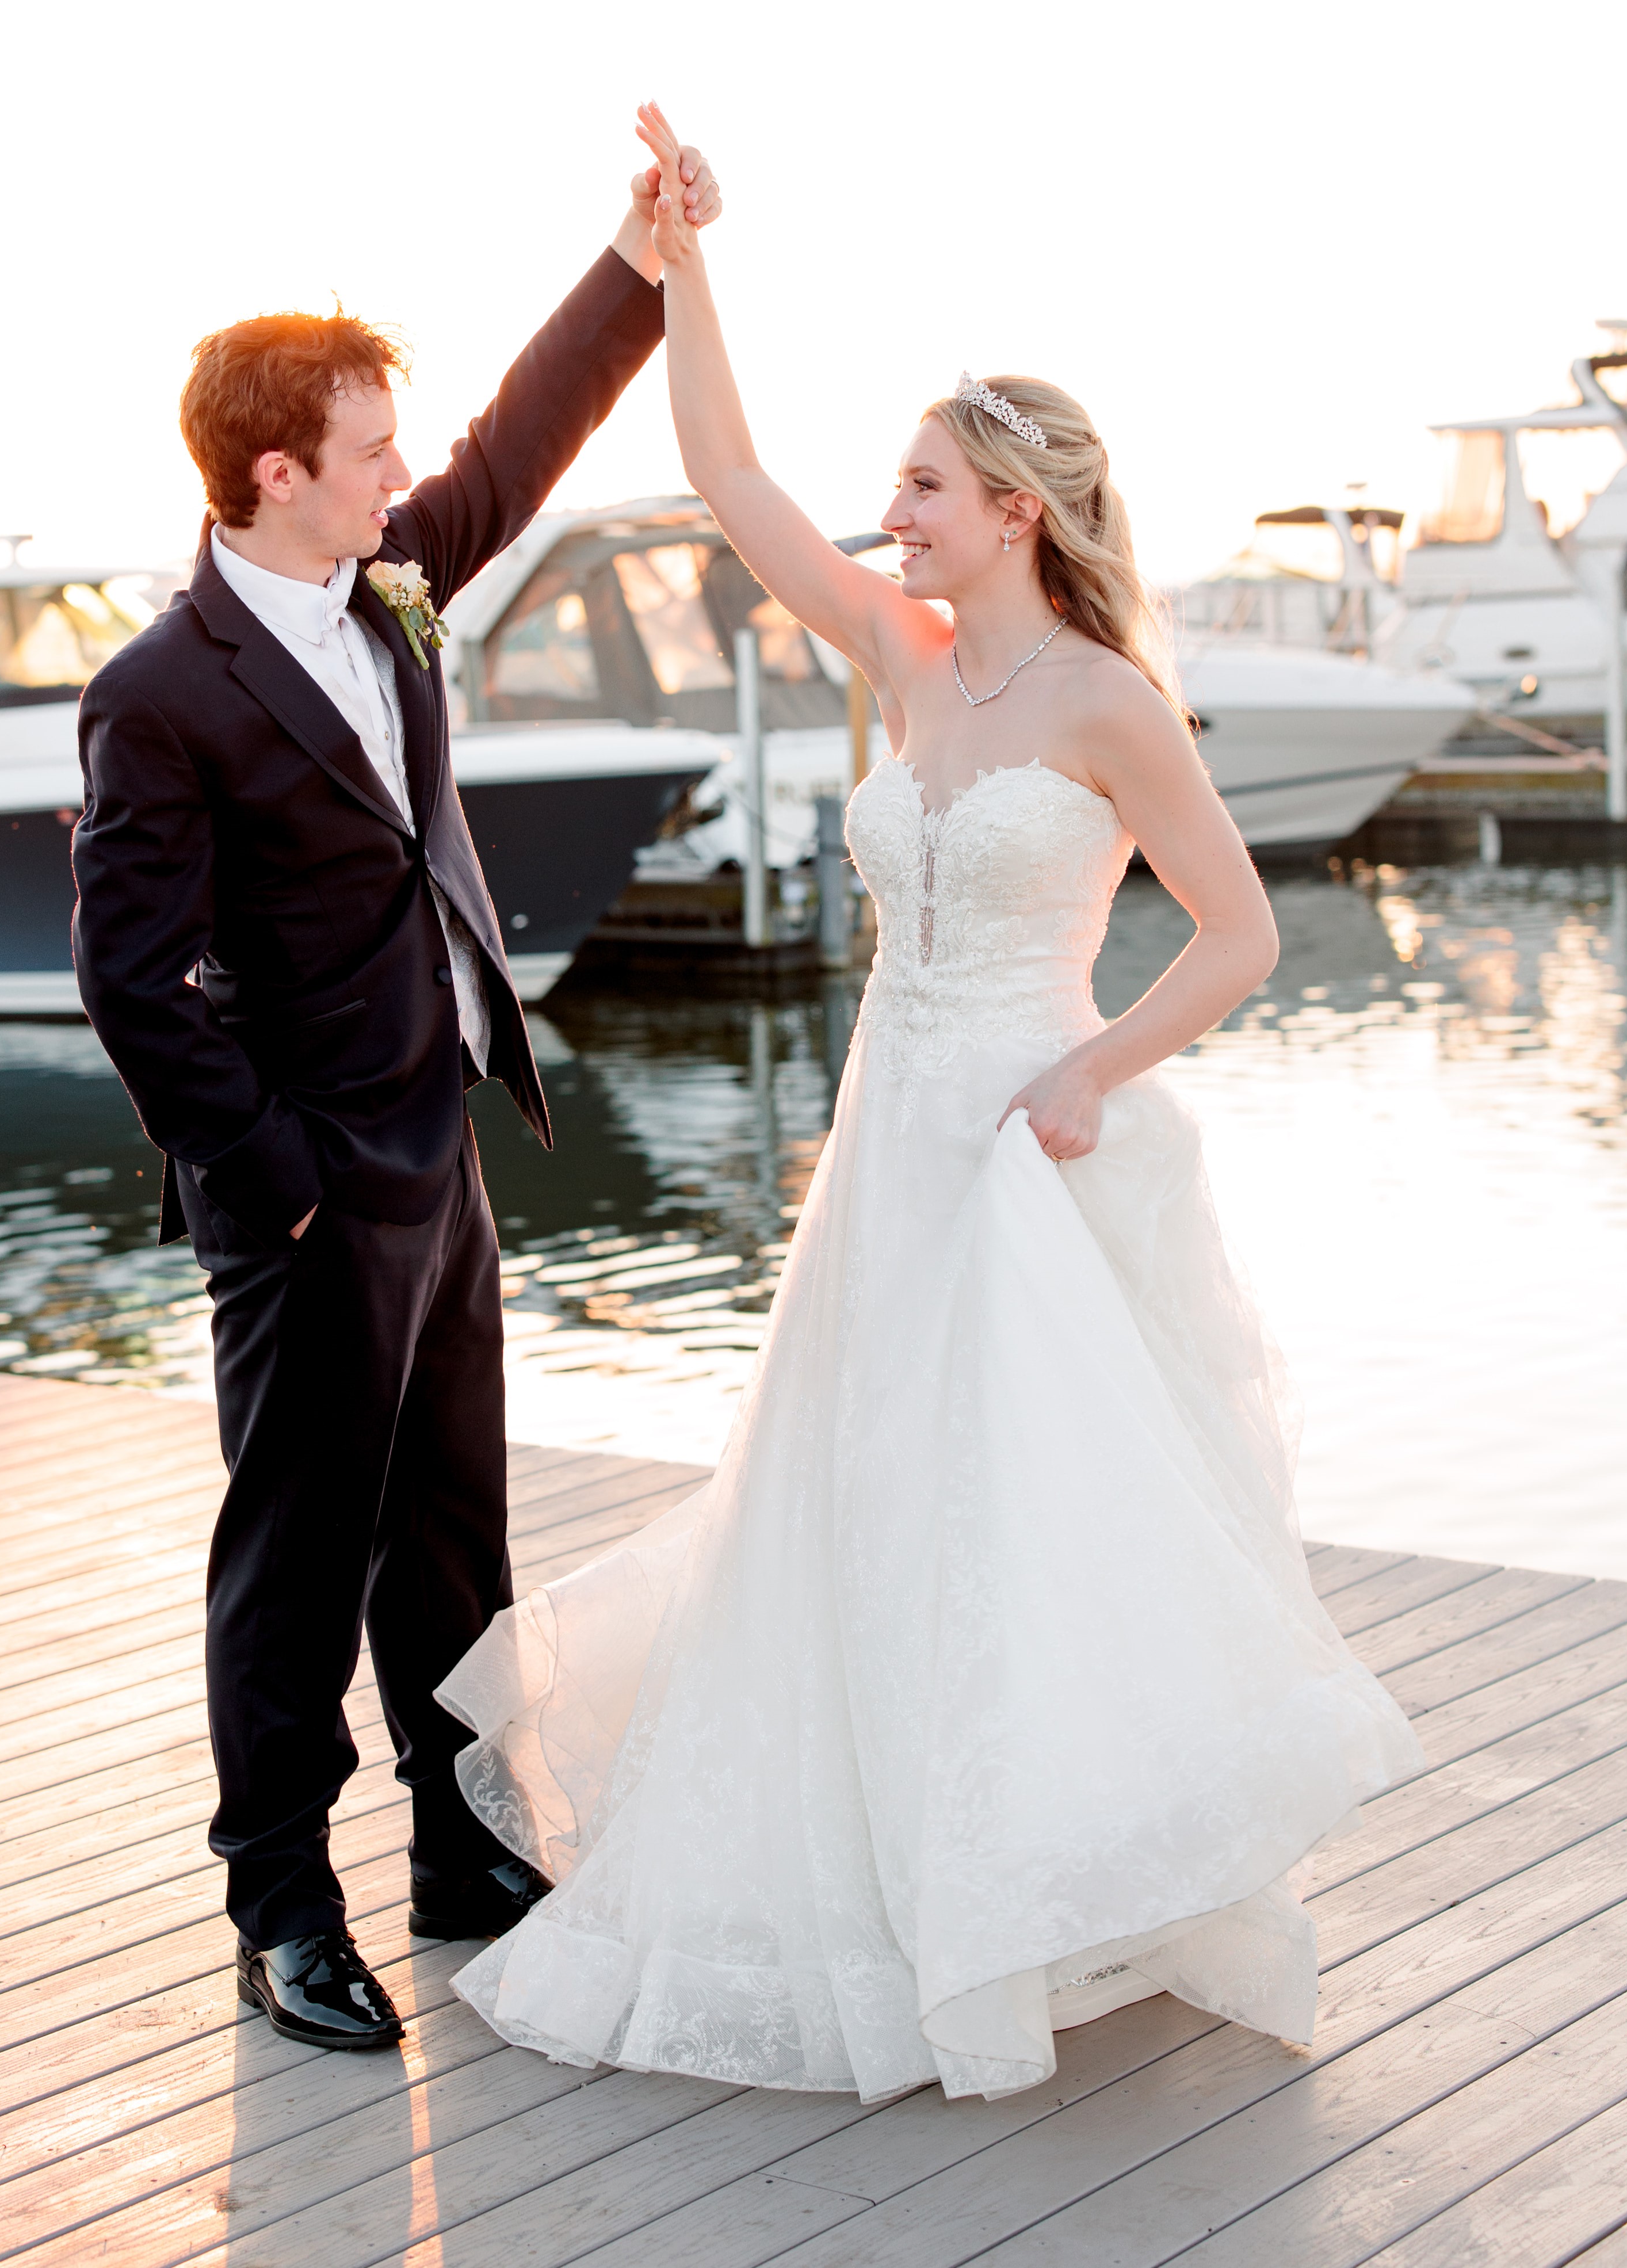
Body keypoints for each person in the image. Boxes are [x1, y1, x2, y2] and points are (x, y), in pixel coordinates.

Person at [435, 104, 1424, 2104]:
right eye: (895, 479)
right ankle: (878, 1877)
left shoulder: (1109, 707)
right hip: (889, 1143)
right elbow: (727, 475)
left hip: (1027, 1140)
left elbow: (1235, 939)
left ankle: (1027, 1888)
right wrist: (677, 259)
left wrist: (1089, 1066)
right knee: (857, 1500)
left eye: (926, 483)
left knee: (1015, 1522)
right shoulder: (905, 655)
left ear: (1019, 513)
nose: (893, 510)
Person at [70, 132, 722, 2052]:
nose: (396, 473)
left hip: (441, 1148)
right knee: (291, 1557)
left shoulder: (389, 593)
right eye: (365, 449)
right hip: (302, 1193)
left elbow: (519, 446)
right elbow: (134, 979)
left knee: (451, 1531)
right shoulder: (162, 690)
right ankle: (282, 1908)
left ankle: (461, 1844)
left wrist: (638, 257)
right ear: (277, 472)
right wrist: (271, 1177)